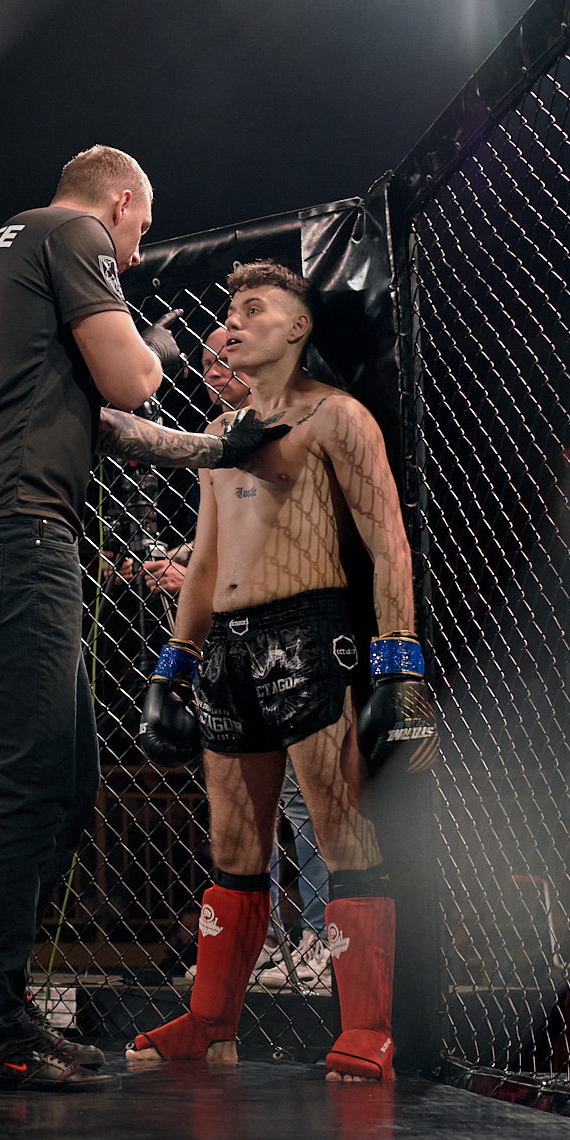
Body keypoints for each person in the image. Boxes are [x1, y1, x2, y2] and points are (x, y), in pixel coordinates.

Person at [0, 146, 289, 1092]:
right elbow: (131, 385)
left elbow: (113, 428)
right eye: (140, 231)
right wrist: (151, 350)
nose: (133, 253)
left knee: (69, 781)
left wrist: (220, 446)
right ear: (121, 203)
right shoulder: (74, 234)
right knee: (26, 780)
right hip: (14, 534)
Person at [130, 260, 435, 1082]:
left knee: (342, 836)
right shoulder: (220, 436)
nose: (233, 321)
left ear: (298, 327)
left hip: (309, 634)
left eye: (253, 308)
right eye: (230, 310)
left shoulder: (337, 416)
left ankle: (367, 1029)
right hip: (226, 650)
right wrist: (172, 667)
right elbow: (203, 564)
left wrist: (399, 662)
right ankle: (212, 1020)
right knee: (235, 847)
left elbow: (388, 540)